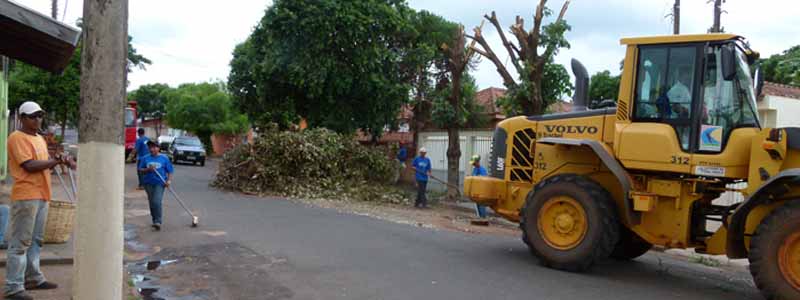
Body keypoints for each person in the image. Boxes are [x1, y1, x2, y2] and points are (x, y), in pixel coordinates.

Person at [5, 101, 74, 300]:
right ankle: (13, 287)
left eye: (40, 116)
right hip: (26, 195)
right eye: (32, 116)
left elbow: (44, 164)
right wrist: (56, 161)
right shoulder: (17, 137)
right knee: (20, 243)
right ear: (22, 118)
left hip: (42, 194)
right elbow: (29, 165)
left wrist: (61, 160)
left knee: (36, 241)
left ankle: (33, 277)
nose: (37, 119)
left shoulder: (39, 138)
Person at [138, 140, 174, 231]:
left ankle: (158, 221)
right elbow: (140, 170)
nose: (152, 149)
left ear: (158, 148)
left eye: (154, 147)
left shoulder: (164, 158)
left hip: (160, 183)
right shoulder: (145, 158)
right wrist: (148, 169)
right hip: (148, 183)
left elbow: (170, 171)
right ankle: (154, 220)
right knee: (152, 202)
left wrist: (169, 181)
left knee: (156, 201)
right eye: (150, 147)